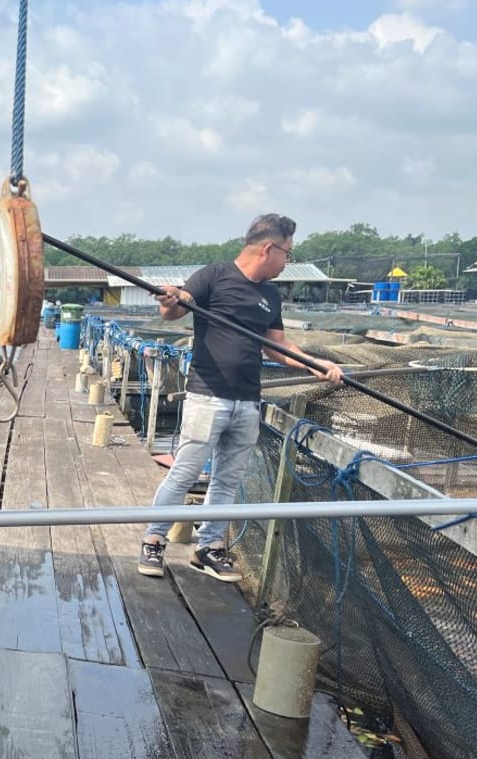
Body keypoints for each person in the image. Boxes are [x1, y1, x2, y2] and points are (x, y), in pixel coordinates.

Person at [139, 214, 343, 581]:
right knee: (185, 472)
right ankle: (154, 540)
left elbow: (277, 346)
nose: (287, 262)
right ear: (269, 248)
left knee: (227, 480)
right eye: (288, 254)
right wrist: (171, 299)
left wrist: (314, 364)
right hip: (207, 397)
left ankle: (209, 547)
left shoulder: (270, 296)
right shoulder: (214, 276)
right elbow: (176, 309)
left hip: (248, 400)